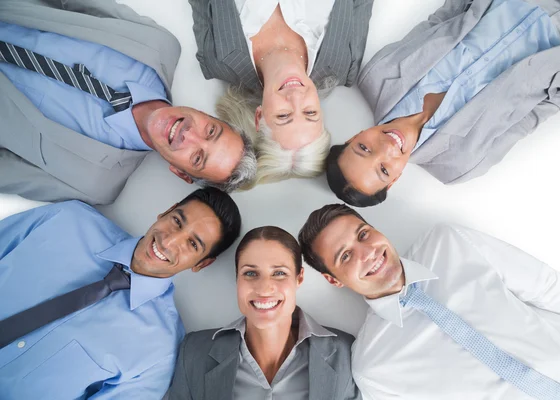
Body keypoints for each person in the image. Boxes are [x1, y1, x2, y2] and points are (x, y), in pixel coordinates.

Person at [298, 204, 560, 400]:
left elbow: (548, 287)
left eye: (363, 234)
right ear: (334, 279)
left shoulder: (449, 243)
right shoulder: (373, 367)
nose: (368, 253)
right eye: (346, 256)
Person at [326, 0, 560, 207]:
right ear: (395, 179)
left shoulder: (379, 75)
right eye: (384, 169)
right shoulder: (460, 164)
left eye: (364, 148)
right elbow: (535, 115)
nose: (385, 148)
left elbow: (443, 18)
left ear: (355, 136)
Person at [0, 0, 257, 205]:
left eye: (198, 157)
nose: (190, 134)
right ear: (206, 114)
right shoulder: (158, 44)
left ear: (179, 172)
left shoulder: (95, 185)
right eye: (211, 131)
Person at [0, 187, 242, 399]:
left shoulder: (158, 354)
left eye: (192, 244)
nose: (169, 241)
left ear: (201, 264)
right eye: (177, 221)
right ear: (167, 211)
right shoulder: (68, 219)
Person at [188, 0, 373, 186]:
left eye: (283, 115)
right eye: (310, 113)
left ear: (259, 116)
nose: (296, 97)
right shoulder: (345, 64)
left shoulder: (215, 61)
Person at [166, 226, 360, 399]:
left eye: (279, 273)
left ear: (299, 278)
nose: (264, 288)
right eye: (250, 273)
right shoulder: (193, 352)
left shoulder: (344, 352)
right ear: (237, 279)